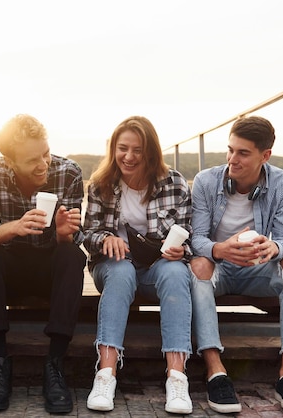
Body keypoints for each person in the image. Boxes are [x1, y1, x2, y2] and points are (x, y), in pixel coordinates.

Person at [189, 116, 283, 415]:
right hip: (218, 268)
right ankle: (215, 371)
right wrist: (219, 249)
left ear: (265, 155)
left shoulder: (282, 182)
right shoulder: (206, 181)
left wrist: (273, 247)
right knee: (197, 266)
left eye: (243, 153)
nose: (233, 159)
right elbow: (196, 239)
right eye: (230, 150)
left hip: (258, 268)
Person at [0, 114, 87, 413]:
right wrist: (13, 227)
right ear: (10, 161)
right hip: (9, 267)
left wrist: (63, 234)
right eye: (32, 159)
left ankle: (55, 364)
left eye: (45, 153)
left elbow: (76, 236)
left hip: (49, 267)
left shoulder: (69, 172)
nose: (44, 164)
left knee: (73, 255)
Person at [83, 116, 194, 414]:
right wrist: (106, 238)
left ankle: (177, 378)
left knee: (175, 272)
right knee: (121, 270)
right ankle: (105, 374)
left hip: (157, 268)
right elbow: (88, 233)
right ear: (113, 149)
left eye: (138, 150)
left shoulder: (175, 183)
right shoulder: (101, 184)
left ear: (151, 152)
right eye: (122, 149)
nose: (129, 157)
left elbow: (190, 235)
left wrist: (180, 250)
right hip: (114, 267)